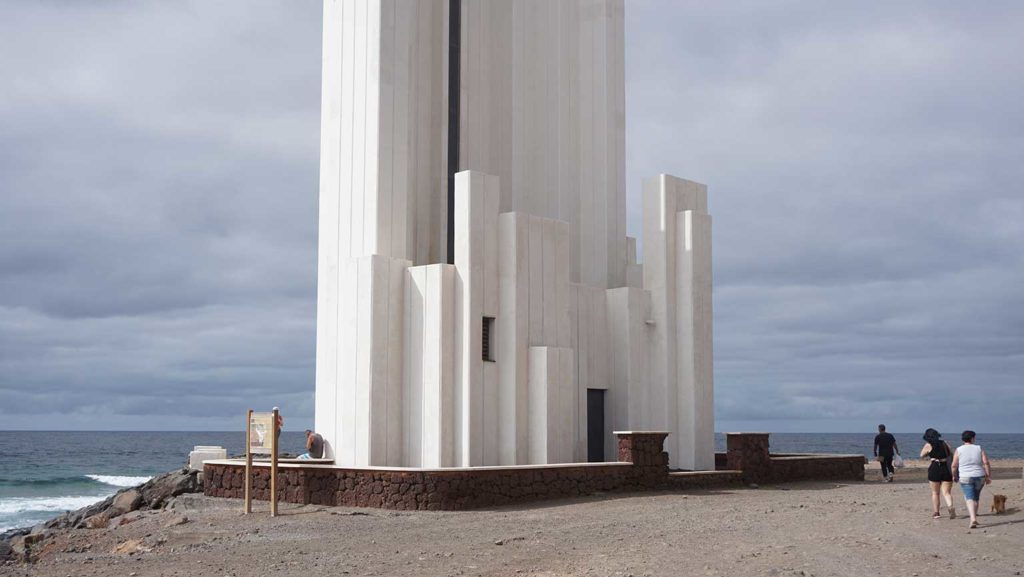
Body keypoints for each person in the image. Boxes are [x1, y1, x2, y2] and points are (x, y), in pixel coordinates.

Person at [952, 430, 991, 529]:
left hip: (965, 477)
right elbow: (986, 463)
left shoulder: (959, 449)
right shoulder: (979, 448)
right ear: (973, 438)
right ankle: (974, 516)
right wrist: (988, 475)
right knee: (976, 497)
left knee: (969, 498)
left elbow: (954, 465)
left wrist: (954, 476)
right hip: (979, 476)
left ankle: (973, 519)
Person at [919, 428, 955, 520]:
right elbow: (952, 453)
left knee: (935, 493)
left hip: (935, 468)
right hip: (946, 468)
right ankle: (950, 507)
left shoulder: (928, 445)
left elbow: (921, 455)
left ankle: (936, 513)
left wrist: (929, 454)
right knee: (946, 492)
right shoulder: (944, 442)